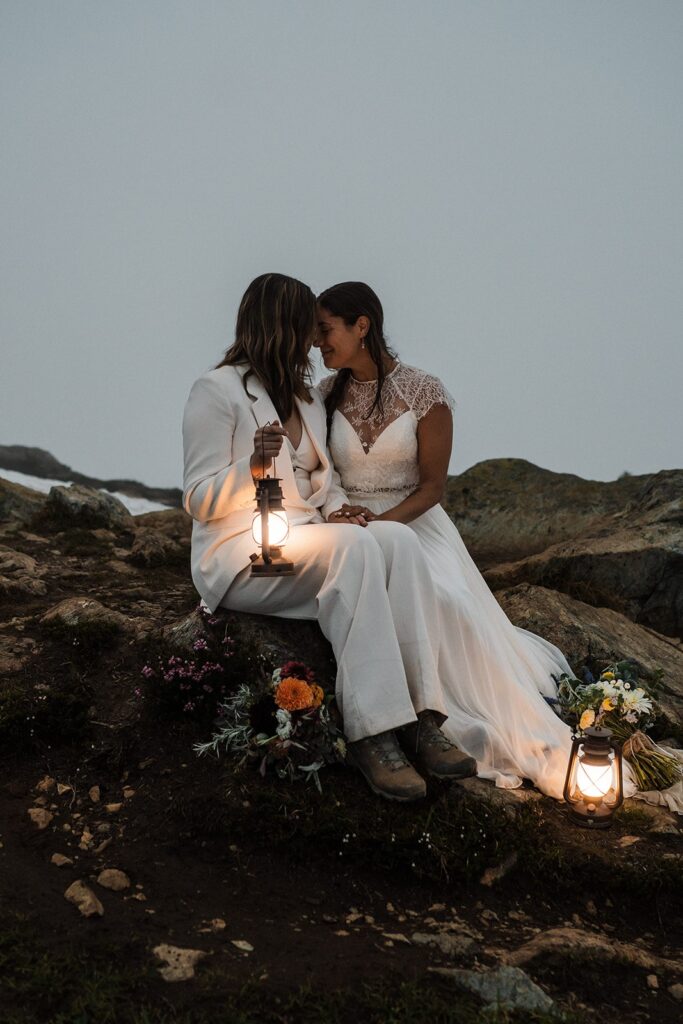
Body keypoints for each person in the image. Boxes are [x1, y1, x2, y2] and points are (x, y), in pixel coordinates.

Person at [182, 273, 476, 803]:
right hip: (245, 556)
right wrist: (252, 467)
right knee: (360, 550)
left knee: (397, 542)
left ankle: (421, 718)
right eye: (305, 327)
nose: (314, 340)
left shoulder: (307, 399)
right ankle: (374, 733)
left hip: (309, 540)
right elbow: (198, 498)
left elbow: (328, 481)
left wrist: (343, 512)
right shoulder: (218, 390)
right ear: (279, 326)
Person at [314, 280, 578, 799]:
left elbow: (433, 487)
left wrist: (385, 522)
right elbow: (322, 472)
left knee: (444, 597)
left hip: (414, 522)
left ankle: (432, 719)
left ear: (361, 326)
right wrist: (340, 512)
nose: (315, 344)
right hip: (351, 528)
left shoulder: (425, 392)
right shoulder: (324, 397)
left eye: (324, 331)